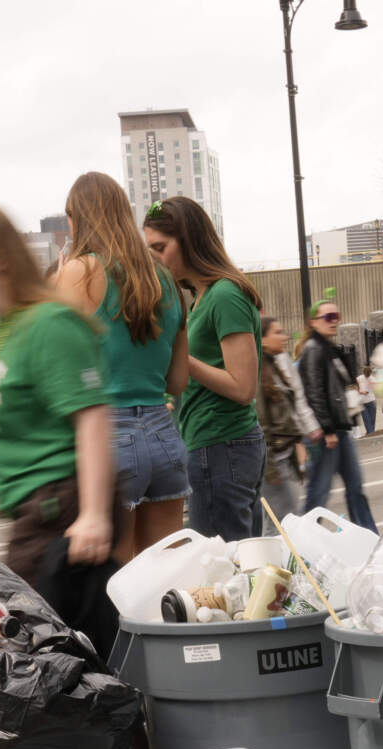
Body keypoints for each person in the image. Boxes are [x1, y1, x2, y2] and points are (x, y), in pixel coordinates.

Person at [0, 202, 116, 651]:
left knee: (38, 649)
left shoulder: (49, 323)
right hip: (35, 508)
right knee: (47, 651)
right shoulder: (5, 330)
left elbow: (93, 417)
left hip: (60, 506)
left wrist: (94, 515)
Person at [52, 171, 189, 566]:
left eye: (70, 217)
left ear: (80, 219)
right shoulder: (165, 279)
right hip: (164, 436)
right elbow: (177, 381)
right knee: (165, 576)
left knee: (116, 587)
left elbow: (56, 369)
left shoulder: (78, 272)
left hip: (107, 439)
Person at [143, 197, 264, 541]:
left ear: (191, 240)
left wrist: (180, 358)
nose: (155, 258)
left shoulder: (225, 296)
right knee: (237, 567)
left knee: (220, 574)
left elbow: (243, 388)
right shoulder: (201, 298)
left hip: (222, 444)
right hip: (214, 445)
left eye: (161, 247)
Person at [298, 297, 378, 529]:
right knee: (319, 493)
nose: (334, 322)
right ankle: (304, 542)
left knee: (355, 487)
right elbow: (314, 392)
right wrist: (327, 429)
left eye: (337, 317)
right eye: (328, 317)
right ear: (313, 322)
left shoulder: (330, 349)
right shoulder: (314, 350)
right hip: (328, 435)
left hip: (341, 430)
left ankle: (368, 536)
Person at [258, 316, 318, 521]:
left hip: (284, 457)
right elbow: (262, 424)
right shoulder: (259, 371)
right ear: (263, 340)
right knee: (286, 523)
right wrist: (271, 470)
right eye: (278, 332)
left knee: (281, 523)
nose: (285, 337)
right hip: (274, 462)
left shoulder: (274, 366)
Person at [356, 366, 378, 436]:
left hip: (367, 401)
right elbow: (355, 387)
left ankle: (370, 432)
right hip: (368, 401)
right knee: (370, 419)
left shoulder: (371, 379)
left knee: (369, 419)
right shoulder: (360, 378)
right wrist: (361, 392)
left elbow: (375, 389)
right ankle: (371, 432)